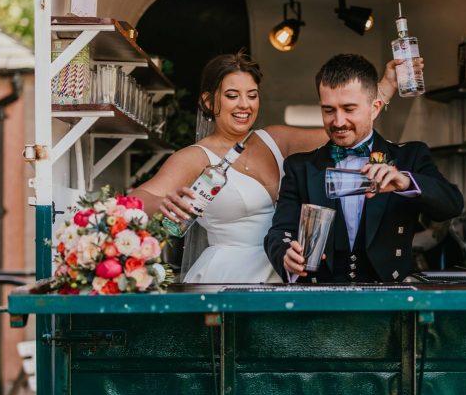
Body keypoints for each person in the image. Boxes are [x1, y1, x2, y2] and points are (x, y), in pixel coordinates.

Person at [131, 50, 401, 284]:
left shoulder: (276, 139)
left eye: (252, 95)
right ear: (208, 101)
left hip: (285, 270)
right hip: (229, 275)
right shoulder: (195, 157)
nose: (244, 105)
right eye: (232, 95)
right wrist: (164, 203)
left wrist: (384, 89)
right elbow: (136, 199)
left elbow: (345, 129)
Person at [264, 53, 464, 283]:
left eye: (349, 109)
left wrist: (406, 182)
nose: (338, 122)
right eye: (329, 110)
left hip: (391, 299)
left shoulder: (409, 157)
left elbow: (452, 204)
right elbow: (280, 233)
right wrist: (286, 256)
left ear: (375, 108)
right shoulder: (300, 167)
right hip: (320, 301)